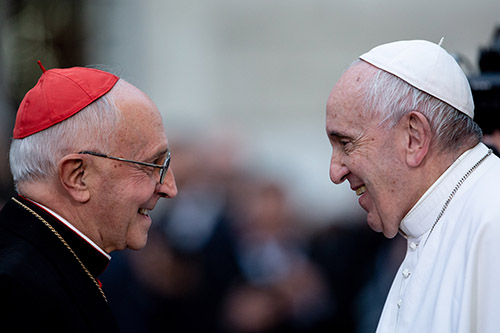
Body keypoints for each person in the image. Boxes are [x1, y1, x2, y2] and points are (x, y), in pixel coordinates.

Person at [325, 39, 500, 332]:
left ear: (414, 137)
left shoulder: (492, 221)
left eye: (346, 143)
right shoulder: (433, 224)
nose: (335, 172)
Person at [0, 63, 178, 332]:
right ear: (77, 176)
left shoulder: (48, 264)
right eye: (152, 164)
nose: (169, 188)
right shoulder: (16, 291)